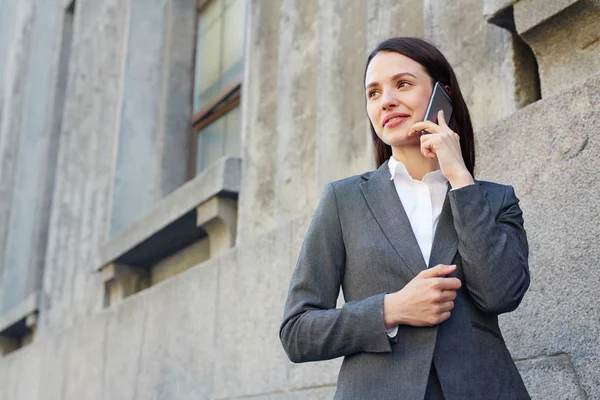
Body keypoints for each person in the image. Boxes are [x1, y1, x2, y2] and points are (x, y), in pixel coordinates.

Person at [279, 37, 531, 400]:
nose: (387, 101)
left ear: (441, 94)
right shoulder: (344, 200)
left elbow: (500, 294)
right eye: (374, 93)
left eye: (403, 84)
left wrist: (461, 179)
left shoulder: (493, 199)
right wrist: (389, 309)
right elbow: (297, 332)